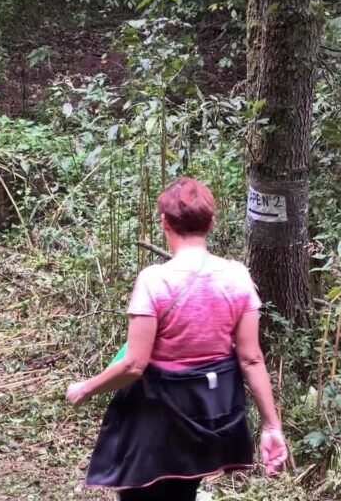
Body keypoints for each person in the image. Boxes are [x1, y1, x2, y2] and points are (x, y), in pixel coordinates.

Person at [65, 178, 288, 501]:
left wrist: (84, 388)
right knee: (184, 488)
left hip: (155, 415)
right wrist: (271, 426)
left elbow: (134, 364)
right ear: (211, 223)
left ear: (164, 222)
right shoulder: (238, 276)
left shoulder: (154, 281)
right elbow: (251, 358)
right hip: (207, 411)